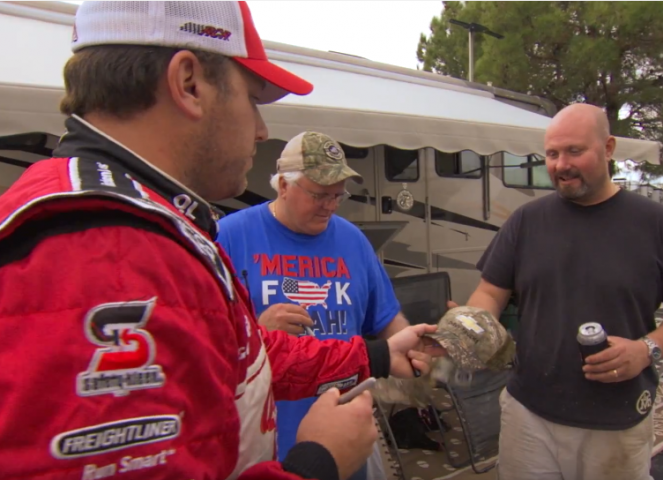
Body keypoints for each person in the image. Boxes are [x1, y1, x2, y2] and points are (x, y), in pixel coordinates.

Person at [0, 2, 443, 480]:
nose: (261, 129)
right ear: (189, 84)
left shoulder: (139, 219)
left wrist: (377, 354)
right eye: (252, 98)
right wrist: (318, 462)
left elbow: (230, 353)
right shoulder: (112, 249)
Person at [452, 103, 663, 480]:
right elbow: (491, 292)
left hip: (617, 418)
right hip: (529, 413)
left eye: (575, 151)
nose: (561, 165)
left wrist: (645, 350)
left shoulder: (656, 223)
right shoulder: (527, 220)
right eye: (553, 154)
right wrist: (474, 325)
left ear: (608, 148)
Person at [216, 131, 410, 480]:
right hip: (264, 444)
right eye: (320, 194)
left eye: (339, 195)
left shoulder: (353, 240)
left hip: (343, 437)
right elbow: (205, 347)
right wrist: (258, 333)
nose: (331, 206)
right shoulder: (228, 236)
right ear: (283, 186)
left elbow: (386, 317)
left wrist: (418, 347)